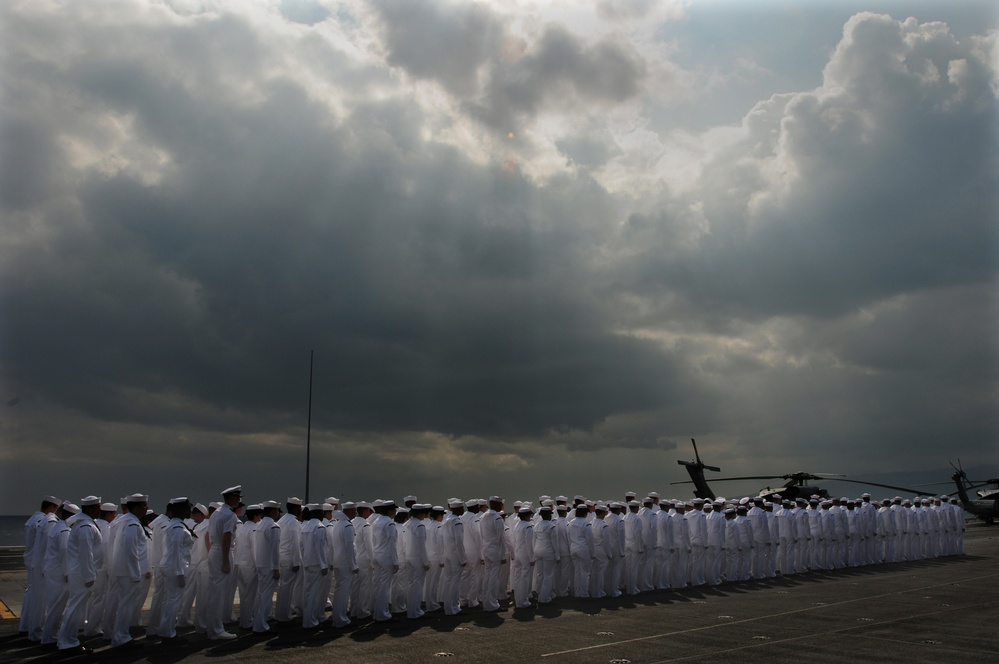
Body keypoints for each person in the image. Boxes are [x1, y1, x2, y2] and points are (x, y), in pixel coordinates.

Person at [57, 497, 103, 653]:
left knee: (77, 608)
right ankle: (67, 642)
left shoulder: (85, 524)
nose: (100, 509)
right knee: (76, 608)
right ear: (89, 509)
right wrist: (90, 576)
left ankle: (69, 640)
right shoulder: (85, 527)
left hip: (81, 572)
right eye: (97, 507)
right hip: (83, 573)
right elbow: (85, 554)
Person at [111, 494, 151, 648]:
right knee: (126, 606)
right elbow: (130, 549)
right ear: (137, 507)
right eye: (144, 505)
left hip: (124, 570)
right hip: (129, 572)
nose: (146, 508)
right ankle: (121, 637)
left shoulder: (125, 521)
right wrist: (135, 572)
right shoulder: (132, 524)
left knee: (125, 605)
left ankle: (120, 636)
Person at [21, 495, 60, 641]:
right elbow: (44, 545)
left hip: (31, 560)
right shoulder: (44, 521)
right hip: (38, 562)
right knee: (39, 599)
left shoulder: (33, 519)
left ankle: (25, 626)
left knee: (31, 595)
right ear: (52, 508)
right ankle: (36, 630)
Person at [204, 485, 240, 640]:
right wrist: (225, 561)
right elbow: (227, 537)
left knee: (215, 592)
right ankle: (216, 629)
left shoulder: (216, 513)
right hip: (222, 552)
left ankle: (213, 627)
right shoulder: (229, 515)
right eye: (237, 497)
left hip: (215, 551)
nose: (238, 500)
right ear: (232, 498)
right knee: (219, 594)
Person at [156, 498, 194, 640]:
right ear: (180, 511)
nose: (189, 511)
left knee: (170, 600)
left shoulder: (175, 525)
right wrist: (179, 573)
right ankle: (168, 633)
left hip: (171, 566)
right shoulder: (178, 528)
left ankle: (165, 629)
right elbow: (176, 552)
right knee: (173, 602)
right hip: (175, 568)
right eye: (187, 509)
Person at [41, 502, 78, 645]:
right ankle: (49, 638)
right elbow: (64, 553)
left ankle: (50, 636)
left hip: (53, 572)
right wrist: (68, 573)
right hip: (59, 574)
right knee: (56, 608)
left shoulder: (59, 527)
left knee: (53, 607)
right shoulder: (64, 531)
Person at [252, 501, 282, 634]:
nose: (277, 513)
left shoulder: (260, 525)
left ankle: (257, 621)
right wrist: (276, 568)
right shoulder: (273, 526)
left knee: (260, 594)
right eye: (276, 511)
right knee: (266, 596)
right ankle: (261, 624)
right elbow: (275, 549)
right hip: (269, 565)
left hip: (260, 563)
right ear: (272, 511)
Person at [328, 502, 357, 628]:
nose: (355, 512)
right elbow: (349, 547)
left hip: (338, 561)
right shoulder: (347, 526)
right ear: (349, 511)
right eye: (354, 510)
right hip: (345, 563)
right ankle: (340, 618)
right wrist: (353, 565)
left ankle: (338, 617)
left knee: (339, 591)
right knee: (343, 593)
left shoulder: (338, 524)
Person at [301, 504, 330, 629]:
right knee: (314, 593)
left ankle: (310, 618)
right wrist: (324, 564)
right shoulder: (319, 527)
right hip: (317, 564)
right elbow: (320, 548)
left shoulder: (306, 526)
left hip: (308, 562)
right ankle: (310, 621)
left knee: (309, 592)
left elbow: (301, 545)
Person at [275, 498, 303, 622]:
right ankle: (284, 616)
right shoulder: (293, 522)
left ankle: (283, 613)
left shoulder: (283, 519)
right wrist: (296, 562)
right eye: (299, 508)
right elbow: (294, 543)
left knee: (284, 587)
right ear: (296, 508)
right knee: (287, 588)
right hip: (290, 558)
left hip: (282, 556)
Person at [236, 504, 261, 631]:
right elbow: (255, 549)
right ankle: (247, 620)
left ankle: (245, 619)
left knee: (244, 594)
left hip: (241, 563)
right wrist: (258, 565)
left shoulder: (244, 527)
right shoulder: (253, 529)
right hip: (251, 565)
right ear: (256, 515)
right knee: (250, 595)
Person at [440, 500, 467, 616]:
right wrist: (462, 558)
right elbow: (459, 542)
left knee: (448, 581)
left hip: (447, 554)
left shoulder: (446, 521)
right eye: (461, 508)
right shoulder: (456, 522)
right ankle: (453, 607)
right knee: (455, 583)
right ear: (457, 509)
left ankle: (448, 606)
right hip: (455, 555)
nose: (463, 510)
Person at [511, 506, 535, 608]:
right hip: (525, 555)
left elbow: (514, 540)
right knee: (525, 578)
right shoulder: (528, 526)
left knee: (518, 578)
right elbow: (529, 544)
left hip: (517, 553)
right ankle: (524, 601)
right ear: (526, 516)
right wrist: (532, 558)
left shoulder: (517, 525)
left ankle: (518, 600)